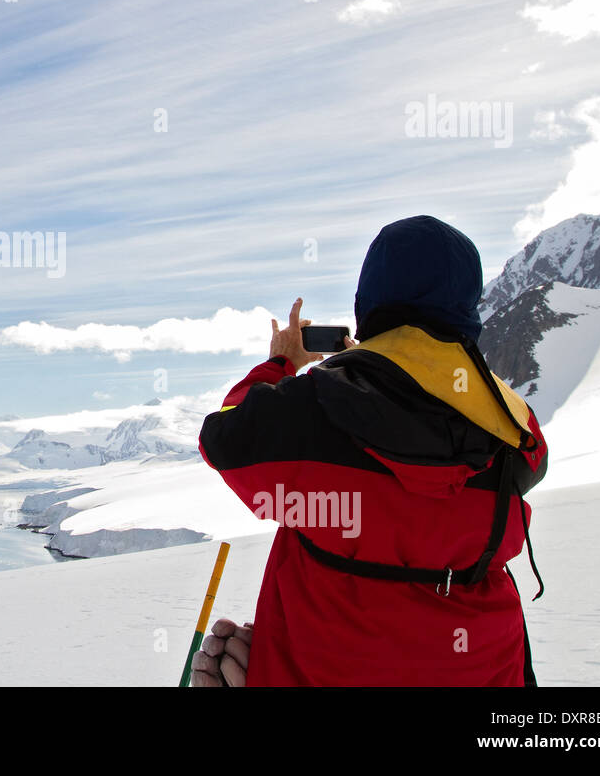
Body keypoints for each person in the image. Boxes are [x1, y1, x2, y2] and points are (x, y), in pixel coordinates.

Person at [195, 216, 548, 686]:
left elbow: (224, 438)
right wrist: (388, 366)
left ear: (368, 300)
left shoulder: (315, 409)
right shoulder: (512, 427)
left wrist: (283, 362)